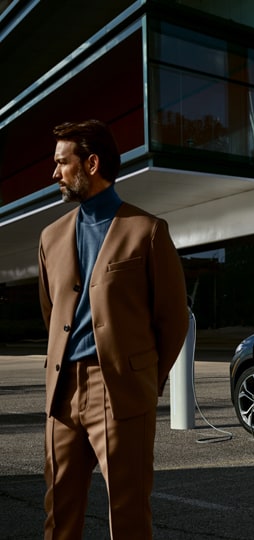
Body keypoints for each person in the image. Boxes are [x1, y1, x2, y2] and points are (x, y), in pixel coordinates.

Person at [38, 119, 189, 539]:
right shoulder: (50, 238)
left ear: (91, 163)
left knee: (127, 513)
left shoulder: (147, 231)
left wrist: (144, 379)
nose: (55, 173)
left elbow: (173, 319)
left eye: (62, 162)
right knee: (59, 513)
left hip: (120, 390)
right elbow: (51, 313)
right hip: (63, 392)